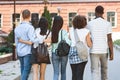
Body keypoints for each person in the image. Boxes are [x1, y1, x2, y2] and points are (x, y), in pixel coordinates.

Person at [87, 5, 114, 80]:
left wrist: (90, 43)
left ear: (95, 12)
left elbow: (87, 37)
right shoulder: (107, 23)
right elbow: (109, 39)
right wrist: (112, 53)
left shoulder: (90, 23)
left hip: (93, 51)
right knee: (104, 71)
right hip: (104, 51)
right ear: (103, 13)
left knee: (94, 71)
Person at [14, 9, 40, 80]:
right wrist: (40, 39)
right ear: (29, 16)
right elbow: (32, 41)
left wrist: (20, 42)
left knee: (22, 70)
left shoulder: (17, 28)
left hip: (19, 52)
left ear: (22, 16)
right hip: (27, 52)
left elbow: (16, 42)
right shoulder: (30, 27)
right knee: (26, 71)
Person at [69, 15, 92, 80]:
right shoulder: (86, 31)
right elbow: (89, 44)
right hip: (81, 53)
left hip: (72, 53)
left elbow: (70, 39)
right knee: (80, 75)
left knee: (74, 74)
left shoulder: (71, 30)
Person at [51, 16, 71, 80]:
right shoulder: (63, 32)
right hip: (64, 54)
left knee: (56, 73)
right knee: (63, 72)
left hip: (54, 53)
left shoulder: (52, 32)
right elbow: (69, 43)